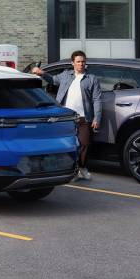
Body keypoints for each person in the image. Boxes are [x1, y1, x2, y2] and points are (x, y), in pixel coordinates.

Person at [31, 50, 101, 181]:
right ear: (72, 63)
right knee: (68, 145)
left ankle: (82, 168)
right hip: (66, 117)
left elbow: (97, 99)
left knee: (84, 144)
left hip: (83, 117)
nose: (81, 64)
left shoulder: (91, 79)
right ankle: (73, 171)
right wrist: (41, 73)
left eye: (83, 62)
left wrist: (97, 118)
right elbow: (52, 80)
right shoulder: (65, 75)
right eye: (78, 62)